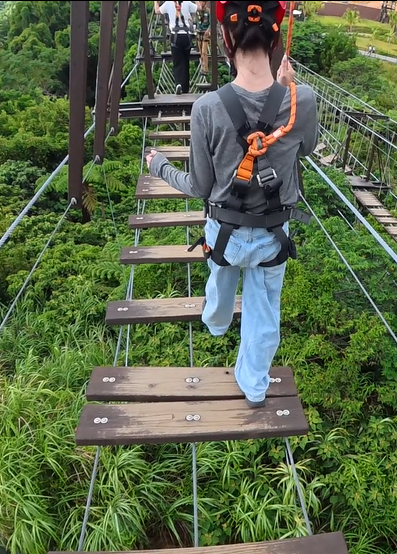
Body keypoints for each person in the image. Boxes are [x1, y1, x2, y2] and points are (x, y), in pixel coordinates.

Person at [145, 0, 318, 408]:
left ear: (225, 40)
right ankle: (255, 388)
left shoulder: (206, 108)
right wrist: (290, 90)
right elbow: (306, 148)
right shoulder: (302, 100)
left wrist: (161, 166)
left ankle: (217, 321)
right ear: (275, 40)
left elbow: (200, 186)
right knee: (263, 312)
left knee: (220, 278)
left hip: (224, 236)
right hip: (274, 237)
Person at [155, 1, 199, 93]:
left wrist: (156, 2)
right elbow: (199, 8)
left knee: (177, 62)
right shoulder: (187, 3)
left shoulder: (168, 3)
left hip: (175, 36)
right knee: (185, 62)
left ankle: (179, 84)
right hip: (187, 36)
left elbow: (157, 11)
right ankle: (186, 88)